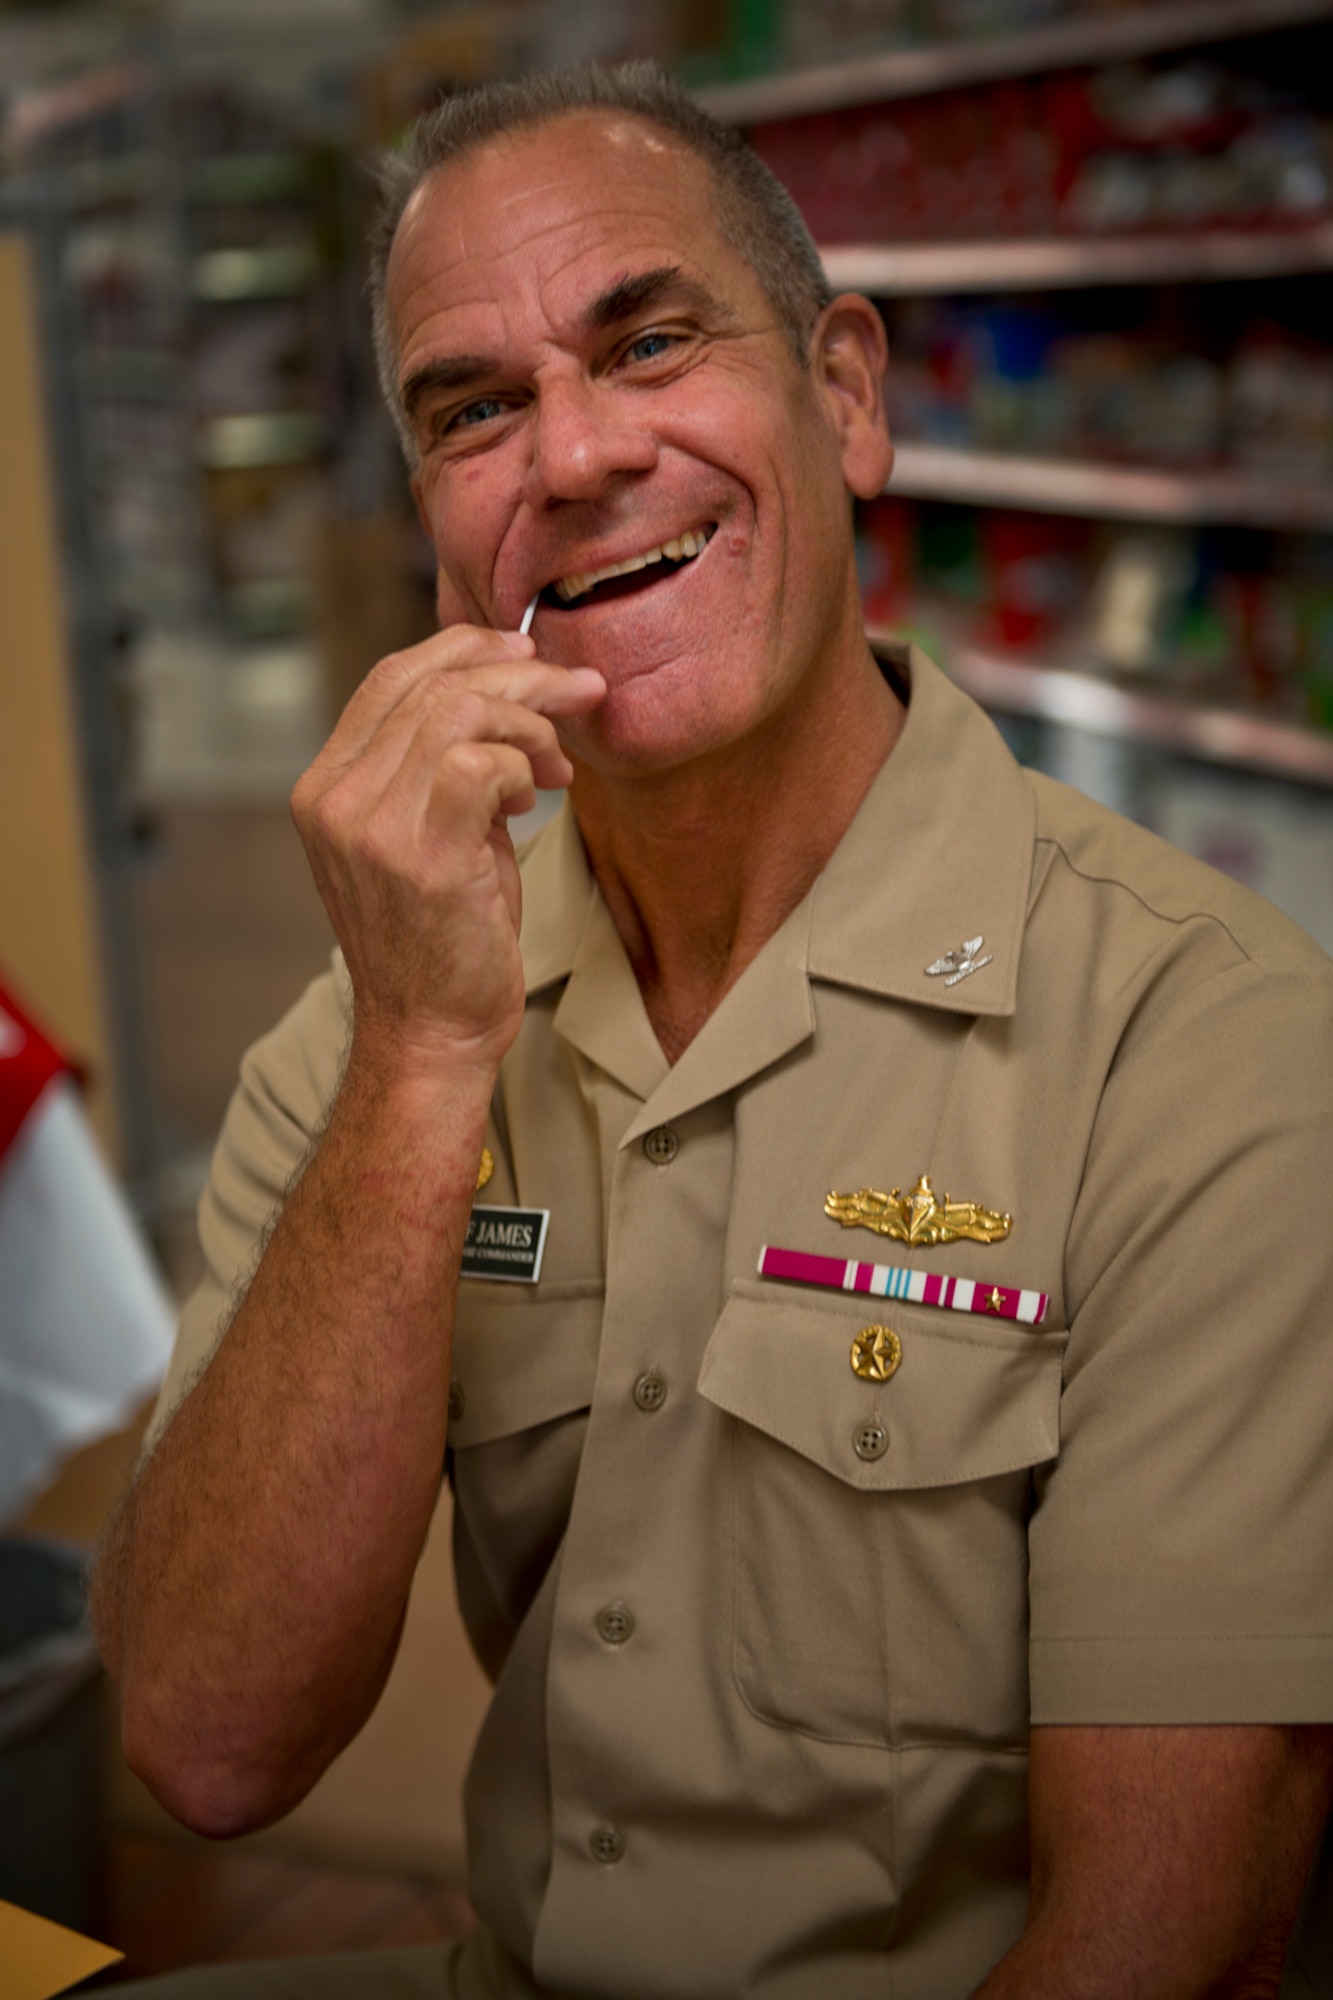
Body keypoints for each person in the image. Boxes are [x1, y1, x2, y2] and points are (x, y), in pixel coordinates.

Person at [92, 62, 1333, 1999]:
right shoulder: (392, 1012)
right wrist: (418, 1066)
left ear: (846, 397)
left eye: (648, 342)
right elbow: (205, 1738)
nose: (573, 455)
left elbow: (1163, 1940)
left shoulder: (1202, 1043)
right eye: (473, 410)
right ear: (435, 527)